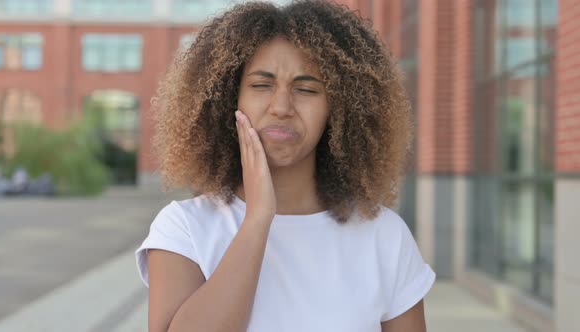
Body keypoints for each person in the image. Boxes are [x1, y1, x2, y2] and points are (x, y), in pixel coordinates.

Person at [135, 1, 435, 331]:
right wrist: (258, 219)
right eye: (261, 85)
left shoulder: (384, 236)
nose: (281, 107)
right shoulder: (185, 229)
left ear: (339, 109)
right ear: (228, 99)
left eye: (306, 89)